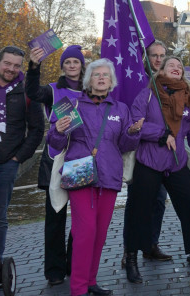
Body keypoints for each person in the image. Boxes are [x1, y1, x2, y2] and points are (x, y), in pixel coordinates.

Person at [47, 58, 142, 296]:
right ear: (88, 80)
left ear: (111, 82)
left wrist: (132, 133)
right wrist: (57, 130)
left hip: (109, 173)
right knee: (85, 230)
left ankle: (90, 281)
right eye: (97, 74)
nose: (101, 78)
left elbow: (124, 145)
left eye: (106, 75)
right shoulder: (72, 104)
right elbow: (55, 141)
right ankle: (78, 288)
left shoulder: (121, 109)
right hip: (78, 170)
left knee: (99, 233)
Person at [124, 56, 190, 284]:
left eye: (179, 66)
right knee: (139, 209)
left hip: (176, 163)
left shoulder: (188, 99)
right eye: (171, 65)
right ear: (160, 71)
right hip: (149, 160)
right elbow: (135, 124)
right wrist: (161, 134)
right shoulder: (147, 95)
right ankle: (132, 259)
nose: (176, 68)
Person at [26, 44, 86, 286]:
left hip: (81, 159)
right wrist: (33, 66)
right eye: (68, 62)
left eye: (76, 62)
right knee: (55, 216)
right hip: (57, 157)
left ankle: (74, 263)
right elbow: (31, 91)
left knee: (80, 217)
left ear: (82, 66)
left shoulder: (91, 90)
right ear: (62, 66)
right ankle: (54, 270)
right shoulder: (52, 91)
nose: (72, 66)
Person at [0, 45, 44, 260]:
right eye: (7, 63)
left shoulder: (27, 92)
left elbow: (37, 130)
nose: (11, 69)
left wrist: (18, 157)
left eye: (16, 66)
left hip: (6, 162)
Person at [121, 40, 173, 267]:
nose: (159, 59)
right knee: (136, 203)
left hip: (163, 154)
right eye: (154, 55)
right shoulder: (136, 80)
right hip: (140, 151)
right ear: (146, 58)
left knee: (159, 201)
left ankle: (151, 244)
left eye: (162, 55)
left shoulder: (170, 82)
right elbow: (134, 119)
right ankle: (129, 248)